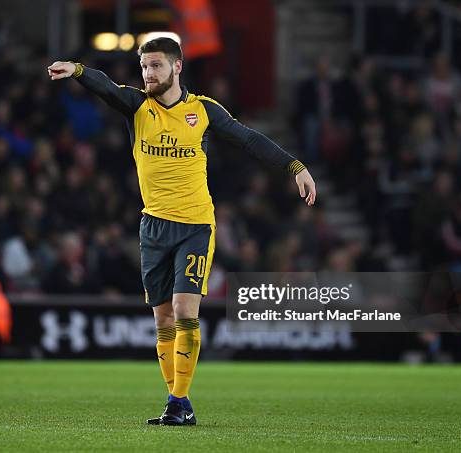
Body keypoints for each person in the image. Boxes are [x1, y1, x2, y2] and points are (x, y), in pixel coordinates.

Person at [47, 37, 316, 426]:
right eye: (143, 67)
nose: (148, 74)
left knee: (184, 309)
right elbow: (107, 86)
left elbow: (248, 139)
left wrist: (296, 167)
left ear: (177, 67)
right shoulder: (138, 105)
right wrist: (78, 71)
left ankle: (179, 399)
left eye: (155, 65)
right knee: (162, 320)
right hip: (152, 225)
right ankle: (177, 404)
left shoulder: (203, 111)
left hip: (195, 225)